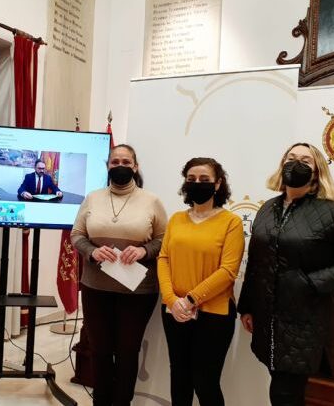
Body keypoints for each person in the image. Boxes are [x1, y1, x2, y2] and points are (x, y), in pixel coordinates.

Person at [237, 143, 334, 406]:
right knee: (282, 388)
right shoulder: (268, 207)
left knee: (284, 393)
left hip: (306, 319)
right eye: (290, 158)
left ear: (317, 170)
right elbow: (256, 261)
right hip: (267, 318)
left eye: (305, 160)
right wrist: (247, 307)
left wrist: (311, 282)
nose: (296, 164)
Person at [71, 144, 167, 406]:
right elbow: (76, 235)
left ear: (135, 167)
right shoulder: (93, 198)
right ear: (108, 166)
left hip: (137, 292)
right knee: (100, 351)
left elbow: (164, 240)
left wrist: (144, 251)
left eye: (126, 162)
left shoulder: (152, 201)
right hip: (95, 288)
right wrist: (92, 251)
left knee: (127, 353)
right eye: (115, 162)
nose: (120, 166)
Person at [157, 157, 244, 406]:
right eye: (191, 179)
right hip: (175, 311)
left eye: (204, 179)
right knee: (179, 378)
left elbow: (228, 271)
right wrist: (172, 300)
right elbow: (163, 259)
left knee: (206, 382)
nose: (197, 183)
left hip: (214, 314)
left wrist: (190, 299)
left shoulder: (231, 222)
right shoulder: (176, 219)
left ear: (217, 184)